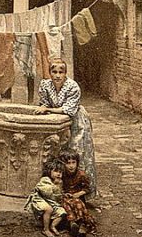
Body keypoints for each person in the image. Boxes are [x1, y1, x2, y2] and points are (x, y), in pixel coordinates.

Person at [35, 60, 97, 196]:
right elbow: (43, 104)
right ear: (50, 73)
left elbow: (68, 110)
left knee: (76, 153)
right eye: (54, 72)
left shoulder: (72, 87)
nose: (57, 75)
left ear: (65, 73)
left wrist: (48, 109)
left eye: (61, 72)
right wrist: (45, 109)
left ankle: (81, 193)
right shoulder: (45, 85)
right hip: (56, 121)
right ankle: (61, 191)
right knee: (59, 155)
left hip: (76, 121)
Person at [24, 159, 67, 237]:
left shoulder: (59, 182)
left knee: (62, 212)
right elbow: (47, 193)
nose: (58, 174)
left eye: (60, 172)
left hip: (51, 201)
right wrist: (55, 186)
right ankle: (46, 229)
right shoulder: (45, 180)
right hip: (39, 199)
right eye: (56, 171)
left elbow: (57, 196)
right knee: (49, 209)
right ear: (49, 171)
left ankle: (53, 226)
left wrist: (59, 188)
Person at [61, 150, 97, 237]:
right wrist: (64, 193)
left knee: (78, 204)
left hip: (77, 197)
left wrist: (78, 194)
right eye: (68, 163)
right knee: (66, 205)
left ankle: (80, 224)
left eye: (74, 162)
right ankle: (72, 224)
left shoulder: (81, 175)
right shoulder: (62, 174)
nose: (71, 166)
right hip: (65, 197)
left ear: (77, 163)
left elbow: (87, 189)